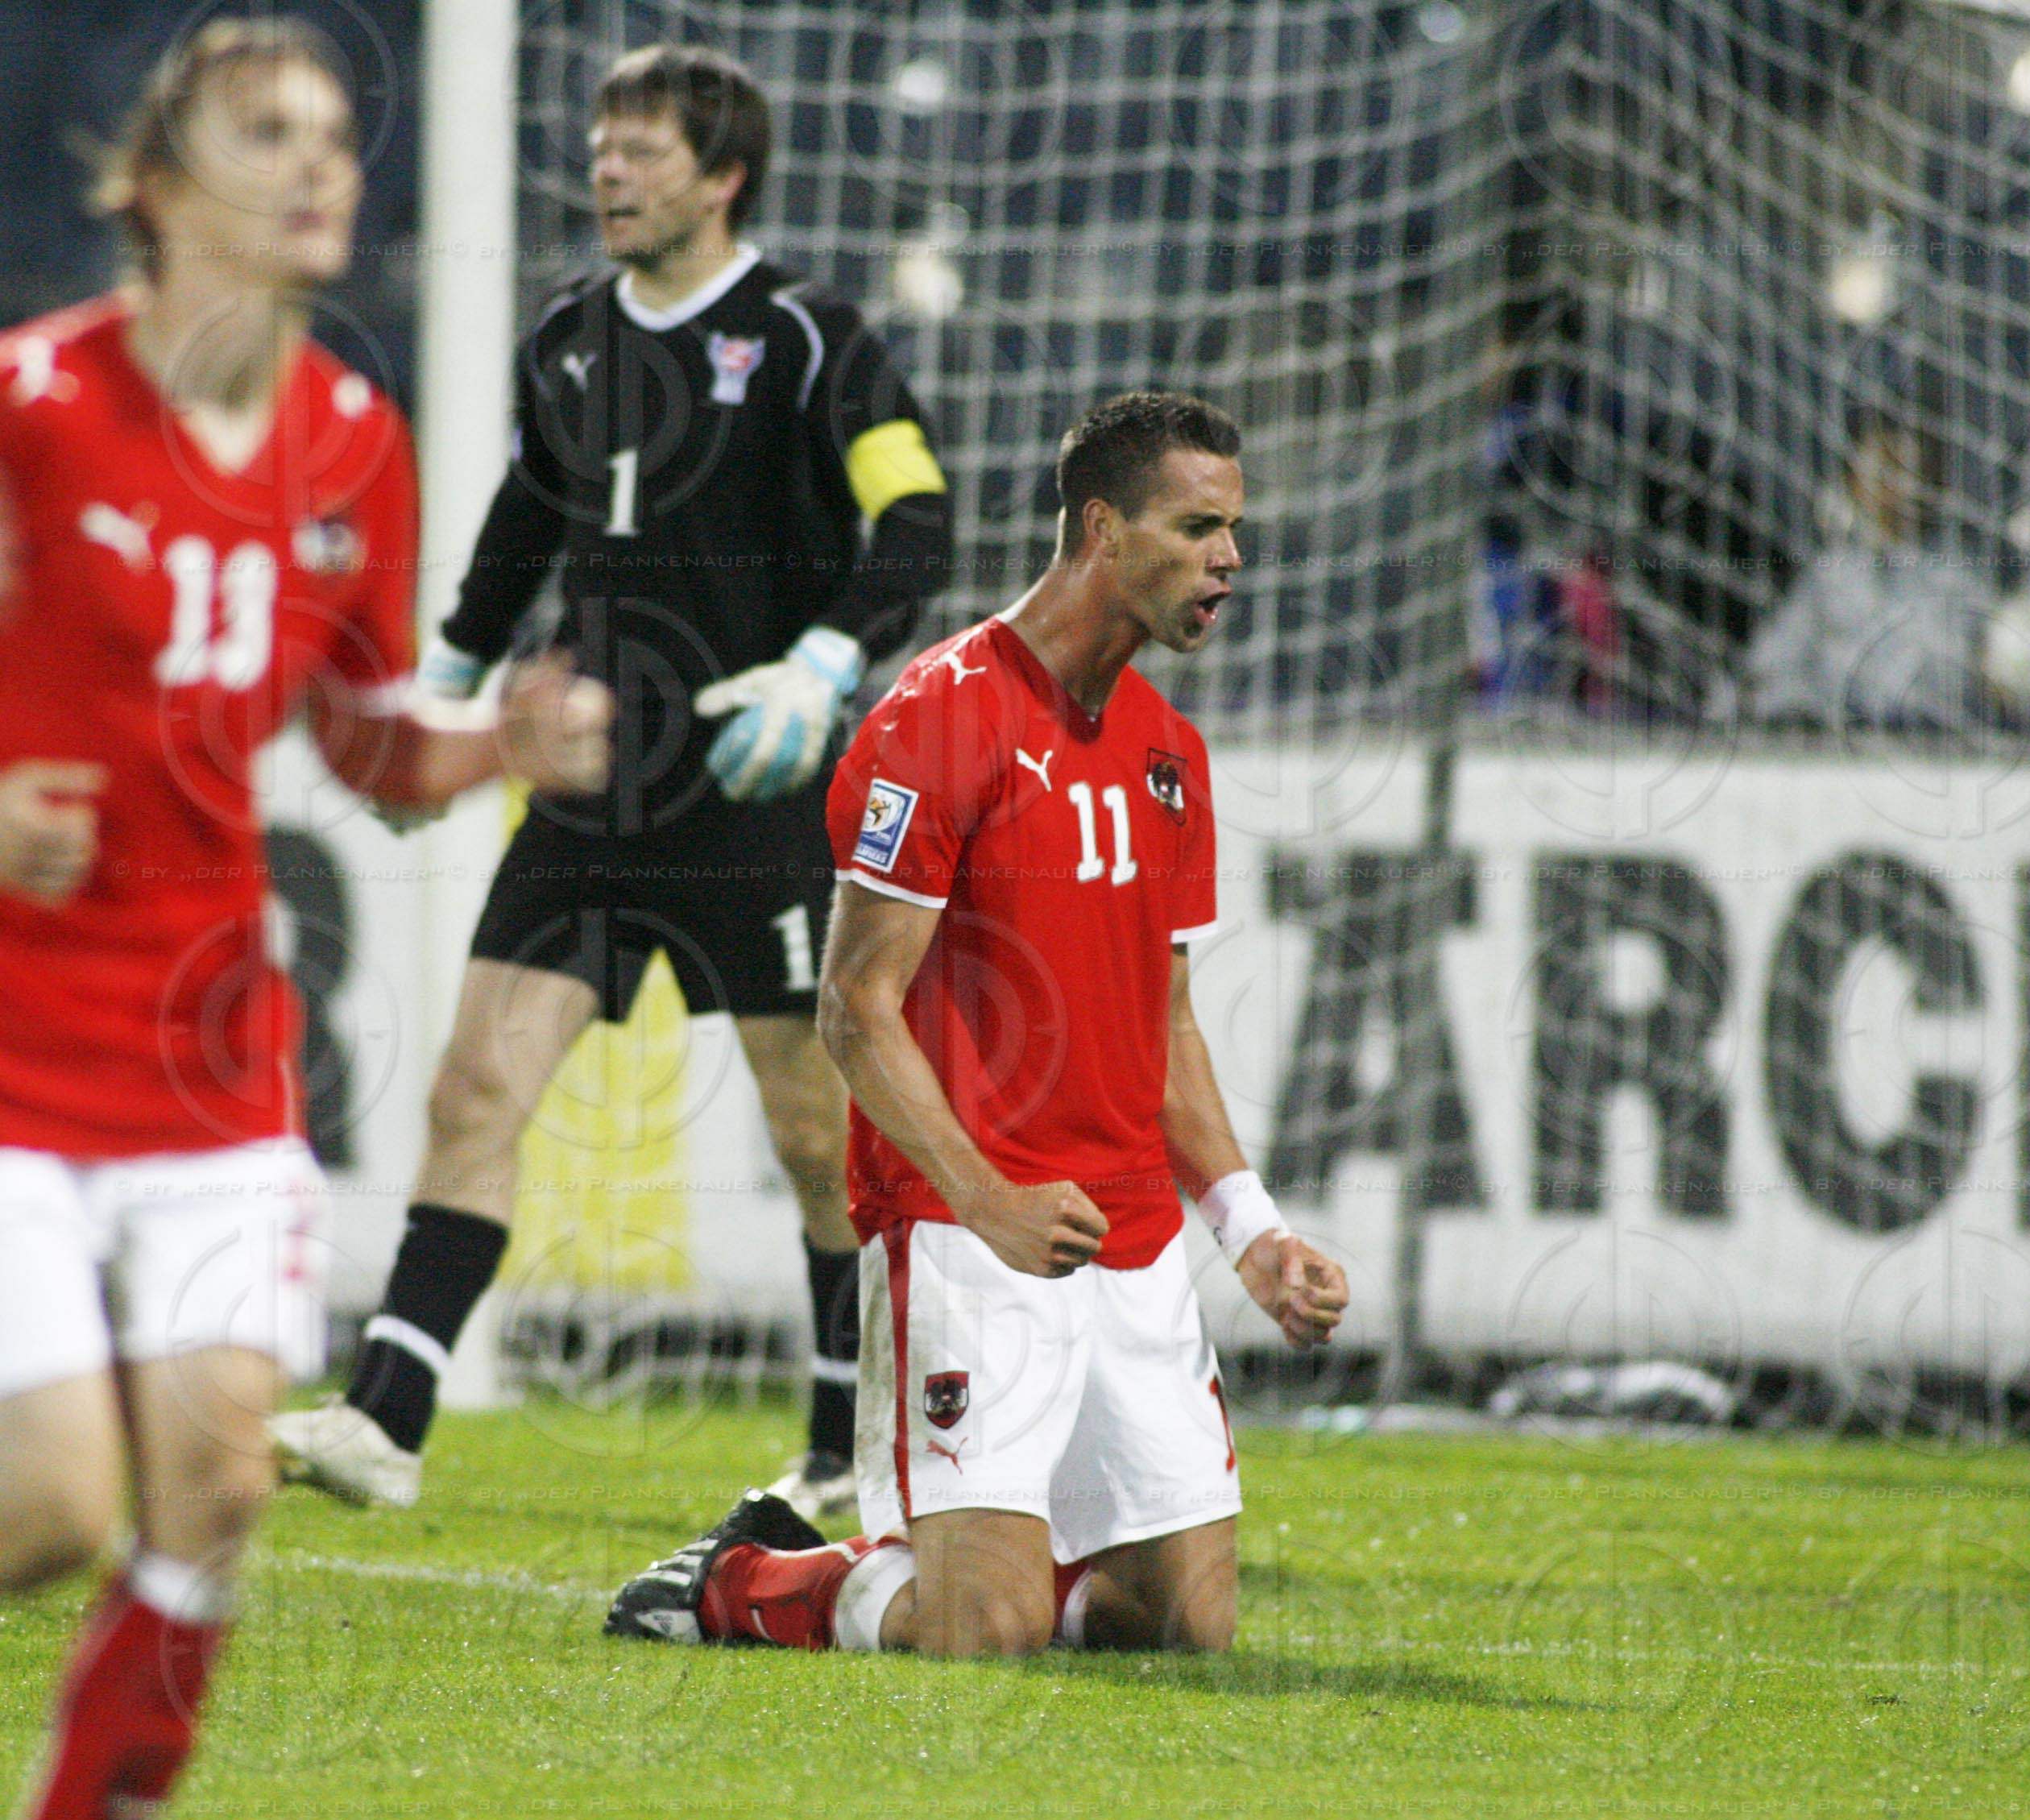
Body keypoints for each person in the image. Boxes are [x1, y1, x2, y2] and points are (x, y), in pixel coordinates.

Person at [0, 23, 612, 1820]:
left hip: (207, 1056)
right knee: (48, 1508)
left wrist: (495, 738)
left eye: (337, 133)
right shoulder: (36, 405)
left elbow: (360, 740)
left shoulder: (353, 440)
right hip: (13, 1059)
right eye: (270, 132)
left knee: (216, 1493)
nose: (322, 163)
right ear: (163, 182)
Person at [269, 44, 953, 1515]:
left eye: (640, 151)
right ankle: (386, 1416)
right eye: (600, 145)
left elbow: (917, 521)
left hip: (750, 789)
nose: (608, 171)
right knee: (474, 1085)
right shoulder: (569, 336)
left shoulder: (812, 337)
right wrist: (437, 692)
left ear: (722, 178)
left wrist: (823, 663)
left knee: (811, 1126)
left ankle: (848, 1441)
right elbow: (523, 528)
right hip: (586, 786)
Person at [603, 392, 1350, 1660]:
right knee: (979, 1632)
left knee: (1181, 1624)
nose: (1232, 556)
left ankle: (990, 1549)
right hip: (966, 1228)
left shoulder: (1171, 753)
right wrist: (990, 1194)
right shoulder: (943, 712)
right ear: (1103, 530)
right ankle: (747, 1578)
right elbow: (853, 1006)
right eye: (1200, 525)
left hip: (1128, 1232)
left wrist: (1252, 1230)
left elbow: (1163, 1024)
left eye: (1238, 527)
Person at [1743, 400, 1991, 731]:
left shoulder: (1960, 573)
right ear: (1852, 479)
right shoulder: (1832, 571)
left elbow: (1951, 682)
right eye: (1877, 469)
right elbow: (1774, 662)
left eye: (1903, 469)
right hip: (1831, 746)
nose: (1889, 487)